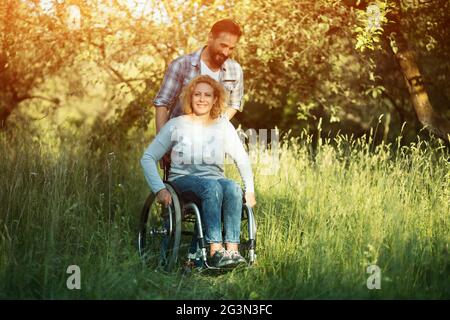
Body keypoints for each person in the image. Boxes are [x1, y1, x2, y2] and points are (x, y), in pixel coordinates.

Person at [141, 75, 256, 268]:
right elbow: (147, 158)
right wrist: (159, 189)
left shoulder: (223, 126)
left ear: (215, 99)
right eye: (197, 94)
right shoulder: (176, 124)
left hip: (215, 184)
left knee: (233, 188)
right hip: (182, 183)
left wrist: (250, 189)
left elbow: (242, 159)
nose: (202, 99)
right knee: (212, 187)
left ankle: (232, 251)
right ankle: (215, 250)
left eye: (207, 95)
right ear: (190, 98)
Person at [153, 19, 244, 168]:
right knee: (176, 190)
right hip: (179, 147)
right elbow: (162, 104)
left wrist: (216, 125)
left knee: (212, 189)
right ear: (210, 38)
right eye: (223, 45)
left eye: (231, 48)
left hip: (213, 150)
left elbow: (234, 104)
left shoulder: (235, 70)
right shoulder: (182, 65)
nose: (226, 52)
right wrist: (162, 145)